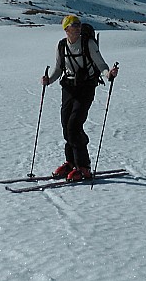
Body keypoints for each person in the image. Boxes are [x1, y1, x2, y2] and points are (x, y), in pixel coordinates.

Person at [41, 14, 119, 181]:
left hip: (86, 87)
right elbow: (58, 68)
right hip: (69, 87)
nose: (78, 27)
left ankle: (83, 166)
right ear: (66, 29)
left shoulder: (88, 43)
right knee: (65, 124)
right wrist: (48, 80)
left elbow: (100, 64)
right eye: (74, 25)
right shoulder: (62, 46)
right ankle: (70, 163)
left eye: (79, 24)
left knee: (74, 124)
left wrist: (108, 74)